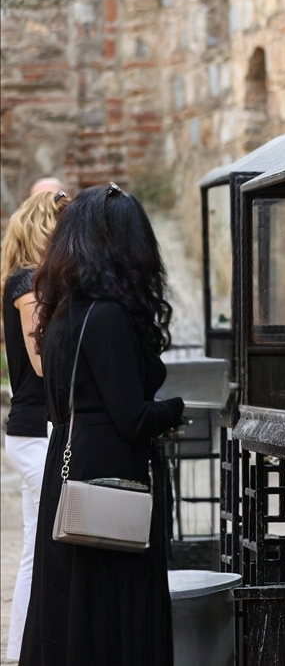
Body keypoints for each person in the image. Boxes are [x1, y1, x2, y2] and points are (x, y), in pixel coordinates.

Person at [20, 183, 185, 666]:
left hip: (70, 472)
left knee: (72, 606)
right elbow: (132, 417)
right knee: (111, 611)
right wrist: (176, 408)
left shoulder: (63, 311)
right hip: (109, 481)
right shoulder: (108, 314)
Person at [1, 190, 69, 661]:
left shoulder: (22, 280)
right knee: (48, 545)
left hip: (29, 431)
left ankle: (21, 648)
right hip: (34, 432)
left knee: (33, 549)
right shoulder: (27, 283)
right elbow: (42, 362)